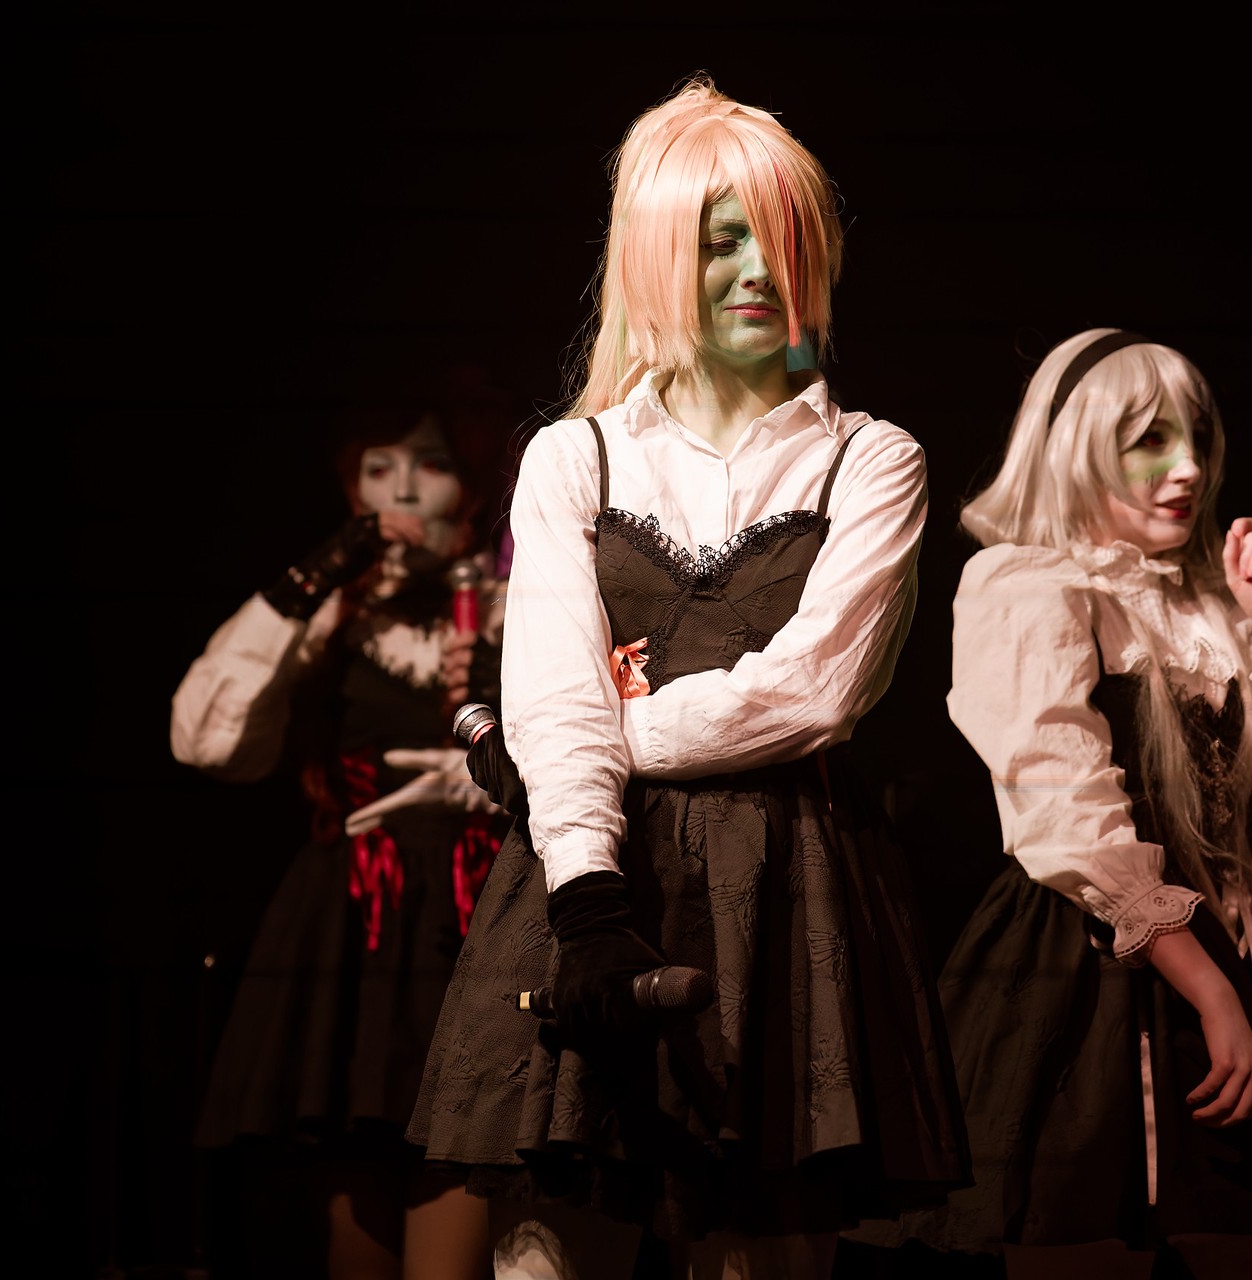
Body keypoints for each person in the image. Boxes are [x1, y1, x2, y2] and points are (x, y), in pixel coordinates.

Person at [405, 77, 969, 1280]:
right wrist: (586, 893)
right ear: (660, 255)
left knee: (763, 1255)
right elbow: (547, 686)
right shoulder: (572, 455)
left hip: (791, 889)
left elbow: (814, 692)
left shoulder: (874, 458)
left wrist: (581, 727)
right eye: (721, 240)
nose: (759, 267)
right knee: (548, 1254)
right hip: (590, 877)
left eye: (781, 236)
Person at [890, 330, 1252, 1279]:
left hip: (1239, 956)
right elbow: (1061, 803)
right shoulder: (1028, 585)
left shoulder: (1212, 603)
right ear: (1079, 446)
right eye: (1150, 440)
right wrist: (1209, 991)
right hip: (1090, 964)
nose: (1188, 469)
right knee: (1091, 1241)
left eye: (1197, 438)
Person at [172, 405, 507, 1280]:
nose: (402, 490)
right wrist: (325, 567)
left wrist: (495, 769)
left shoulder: (519, 606)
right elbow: (205, 741)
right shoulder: (332, 614)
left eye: (429, 465)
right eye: (378, 468)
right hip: (356, 920)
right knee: (357, 1184)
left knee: (466, 1156)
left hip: (480, 913)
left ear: (472, 487)